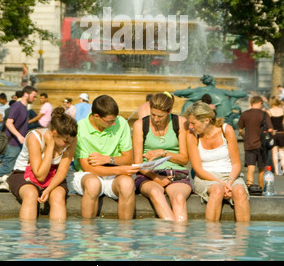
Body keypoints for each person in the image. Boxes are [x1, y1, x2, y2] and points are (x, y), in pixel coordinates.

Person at [70, 94, 138, 219]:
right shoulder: (80, 128)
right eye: (110, 121)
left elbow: (128, 159)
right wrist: (121, 169)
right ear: (96, 116)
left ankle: (126, 235)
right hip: (87, 174)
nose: (114, 124)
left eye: (115, 120)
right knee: (93, 184)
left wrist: (108, 159)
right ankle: (88, 234)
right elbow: (88, 168)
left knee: (127, 183)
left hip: (113, 176)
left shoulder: (121, 123)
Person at [8, 107, 77, 221]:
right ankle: (28, 236)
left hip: (53, 176)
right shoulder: (34, 138)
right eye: (65, 142)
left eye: (70, 142)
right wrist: (50, 147)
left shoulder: (70, 139)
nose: (68, 145)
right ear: (54, 133)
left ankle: (57, 236)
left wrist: (49, 190)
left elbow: (62, 171)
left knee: (58, 196)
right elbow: (40, 175)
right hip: (24, 174)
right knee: (31, 194)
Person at [186, 101, 250, 222]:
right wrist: (221, 183)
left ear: (206, 120)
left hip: (230, 175)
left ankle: (243, 237)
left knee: (240, 191)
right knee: (217, 190)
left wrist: (229, 183)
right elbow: (198, 169)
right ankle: (212, 236)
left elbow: (236, 164)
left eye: (193, 123)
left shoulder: (227, 130)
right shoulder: (192, 135)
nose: (190, 126)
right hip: (206, 177)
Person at [132, 92, 192, 222]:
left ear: (169, 111)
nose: (155, 119)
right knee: (155, 193)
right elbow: (137, 164)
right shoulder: (140, 125)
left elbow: (184, 159)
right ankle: (169, 232)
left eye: (160, 116)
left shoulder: (180, 123)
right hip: (148, 174)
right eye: (153, 114)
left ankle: (179, 236)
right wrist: (157, 178)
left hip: (176, 173)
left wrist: (164, 152)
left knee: (179, 198)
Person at [0, 86, 37, 191]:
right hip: (13, 143)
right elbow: (9, 122)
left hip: (19, 143)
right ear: (26, 94)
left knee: (19, 167)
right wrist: (19, 136)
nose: (35, 98)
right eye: (34, 96)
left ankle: (8, 183)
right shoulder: (17, 106)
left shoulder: (24, 107)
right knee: (7, 167)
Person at [238, 95, 274, 189]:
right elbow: (270, 129)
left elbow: (240, 130)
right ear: (259, 103)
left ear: (251, 103)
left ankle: (250, 187)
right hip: (261, 145)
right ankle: (261, 188)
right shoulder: (264, 114)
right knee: (261, 168)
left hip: (249, 144)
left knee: (250, 167)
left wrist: (244, 137)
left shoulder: (244, 114)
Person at [267, 97, 284, 175]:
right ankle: (283, 169)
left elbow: (267, 123)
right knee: (282, 152)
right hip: (281, 133)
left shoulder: (269, 111)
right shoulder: (282, 110)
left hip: (273, 133)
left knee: (274, 152)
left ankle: (277, 171)